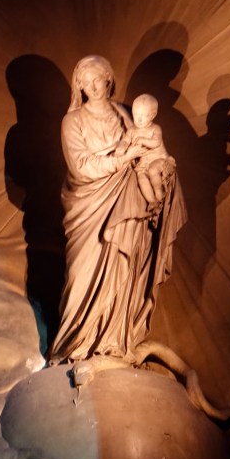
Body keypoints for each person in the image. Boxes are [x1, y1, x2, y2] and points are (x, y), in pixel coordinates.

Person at [47, 55, 187, 367]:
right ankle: (74, 347)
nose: (94, 86)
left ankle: (114, 345)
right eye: (87, 82)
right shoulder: (72, 121)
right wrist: (123, 159)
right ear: (79, 87)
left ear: (109, 79)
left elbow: (151, 153)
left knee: (123, 270)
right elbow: (81, 167)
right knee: (81, 277)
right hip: (88, 209)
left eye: (99, 79)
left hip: (127, 207)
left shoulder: (127, 113)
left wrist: (163, 168)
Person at [118, 93, 171, 215]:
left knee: (153, 170)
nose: (139, 119)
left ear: (153, 115)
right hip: (143, 164)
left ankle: (159, 194)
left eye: (144, 115)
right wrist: (122, 146)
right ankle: (152, 201)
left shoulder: (155, 129)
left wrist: (142, 140)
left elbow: (156, 142)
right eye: (136, 114)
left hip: (158, 159)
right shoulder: (132, 130)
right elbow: (126, 140)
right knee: (141, 178)